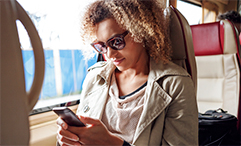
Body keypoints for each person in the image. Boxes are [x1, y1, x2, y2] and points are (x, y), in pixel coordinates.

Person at [56, 0, 198, 145]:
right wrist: (69, 138)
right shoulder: (94, 78)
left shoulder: (176, 85)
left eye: (116, 42)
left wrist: (112, 143)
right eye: (101, 46)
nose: (110, 54)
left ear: (141, 31)